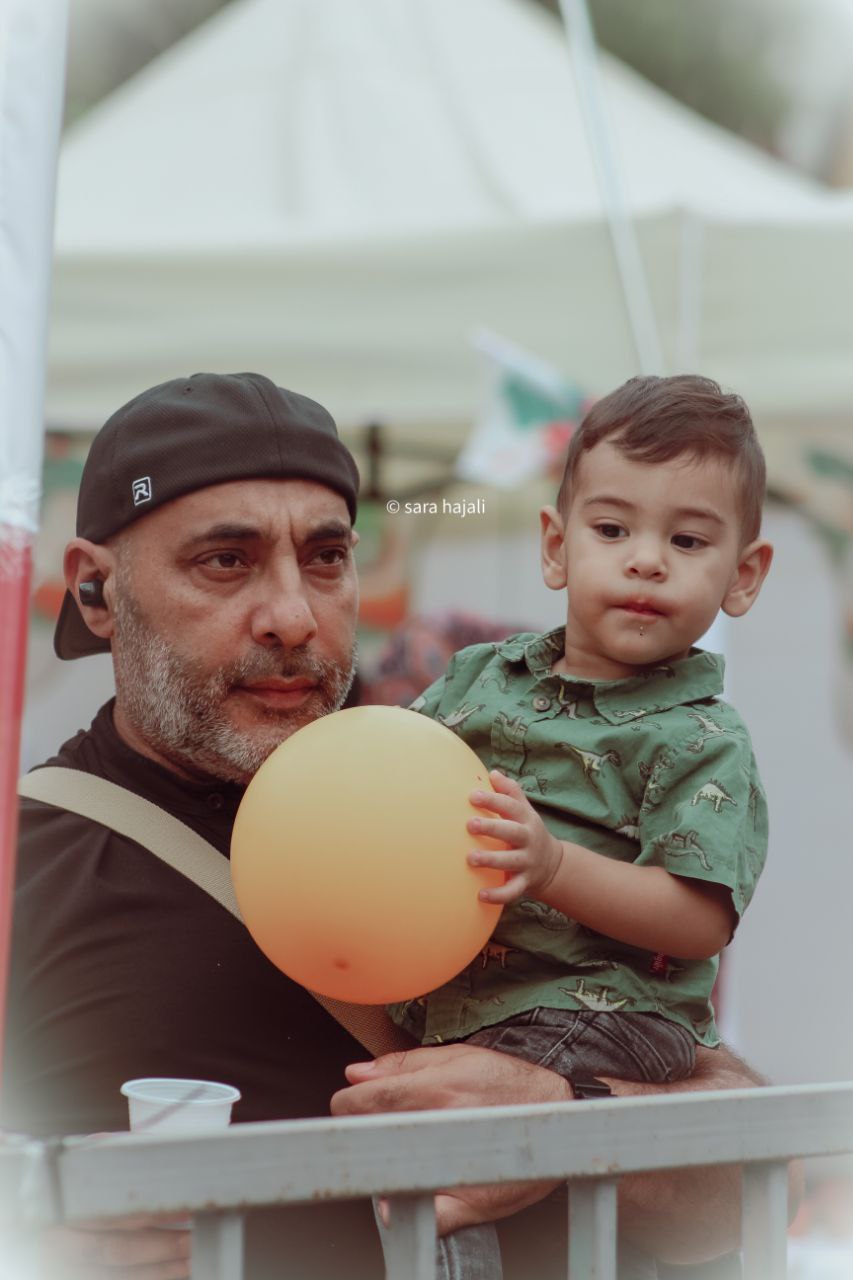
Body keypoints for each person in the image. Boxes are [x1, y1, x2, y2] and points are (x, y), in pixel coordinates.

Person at [2, 371, 790, 1280]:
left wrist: (567, 1116)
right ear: (96, 591)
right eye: (225, 560)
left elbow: (741, 1186)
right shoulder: (21, 870)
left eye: (326, 557)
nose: (292, 617)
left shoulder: (474, 794)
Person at [389, 374, 774, 1278]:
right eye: (611, 530)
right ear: (556, 548)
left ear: (743, 576)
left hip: (606, 1011)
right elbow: (396, 778)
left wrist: (554, 866)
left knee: (446, 1150)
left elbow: (697, 919)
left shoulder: (701, 739)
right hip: (459, 993)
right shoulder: (477, 676)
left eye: (686, 540)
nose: (645, 562)